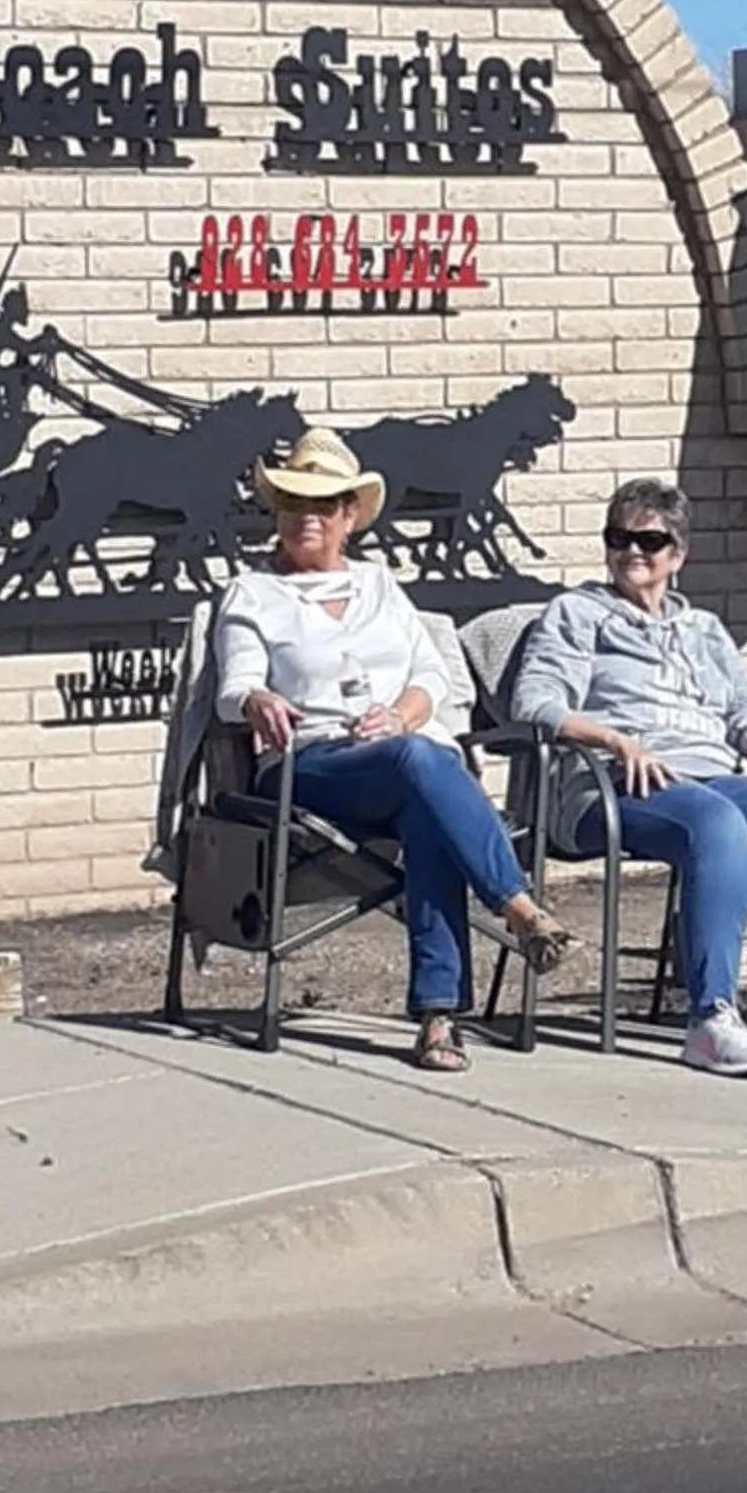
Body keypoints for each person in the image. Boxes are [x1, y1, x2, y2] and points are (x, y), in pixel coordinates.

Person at [213, 423, 571, 1073]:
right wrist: (258, 701)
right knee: (423, 763)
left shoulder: (379, 585)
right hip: (308, 765)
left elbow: (430, 676)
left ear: (349, 514)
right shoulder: (252, 593)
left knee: (428, 807)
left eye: (323, 506)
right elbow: (233, 687)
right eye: (293, 504)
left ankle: (439, 1021)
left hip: (398, 763)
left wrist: (402, 715)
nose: (307, 518)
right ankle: (519, 908)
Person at [510, 476, 747, 1078]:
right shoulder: (577, 614)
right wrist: (615, 738)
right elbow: (535, 703)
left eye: (650, 541)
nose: (633, 551)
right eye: (619, 538)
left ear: (678, 555)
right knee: (718, 825)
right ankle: (711, 1018)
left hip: (713, 774)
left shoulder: (703, 628)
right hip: (612, 780)